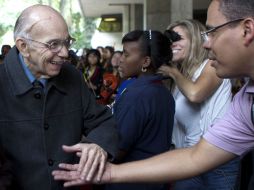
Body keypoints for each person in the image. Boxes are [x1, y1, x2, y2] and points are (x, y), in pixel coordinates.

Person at [52, 0, 254, 189]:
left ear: (247, 30)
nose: (206, 44)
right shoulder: (246, 101)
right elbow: (195, 157)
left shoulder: (150, 90)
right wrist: (111, 172)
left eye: (212, 32)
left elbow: (195, 94)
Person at [0, 4, 118, 190]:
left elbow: (102, 121)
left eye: (67, 42)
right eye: (53, 44)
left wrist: (99, 145)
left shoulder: (72, 76)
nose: (64, 53)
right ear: (23, 46)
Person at [157, 19, 239, 190]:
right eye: (169, 40)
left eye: (178, 38)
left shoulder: (212, 65)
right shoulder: (180, 77)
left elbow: (195, 94)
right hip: (189, 159)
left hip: (218, 162)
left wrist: (171, 72)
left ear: (195, 40)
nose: (173, 44)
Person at [102, 30, 175, 190]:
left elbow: (117, 150)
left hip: (130, 182)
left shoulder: (137, 95)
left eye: (126, 55)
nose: (120, 59)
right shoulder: (162, 91)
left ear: (146, 61)